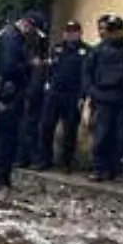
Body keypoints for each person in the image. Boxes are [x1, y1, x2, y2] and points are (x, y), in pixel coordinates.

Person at [84, 14, 123, 181]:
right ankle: (99, 169)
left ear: (122, 31)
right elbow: (87, 74)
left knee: (122, 136)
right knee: (102, 135)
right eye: (110, 31)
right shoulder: (98, 50)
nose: (112, 35)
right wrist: (92, 92)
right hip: (103, 98)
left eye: (115, 31)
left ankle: (115, 168)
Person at [0, 12, 44, 190]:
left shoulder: (12, 36)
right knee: (5, 138)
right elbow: (8, 67)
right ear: (28, 24)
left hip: (10, 94)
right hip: (8, 95)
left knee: (9, 138)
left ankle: (2, 177)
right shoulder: (12, 38)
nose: (32, 35)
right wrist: (30, 64)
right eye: (33, 30)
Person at [35, 21, 90, 171]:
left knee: (70, 130)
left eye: (73, 32)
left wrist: (82, 96)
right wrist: (47, 85)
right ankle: (44, 160)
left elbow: (86, 75)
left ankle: (66, 162)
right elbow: (50, 69)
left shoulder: (86, 51)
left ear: (79, 33)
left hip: (73, 95)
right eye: (67, 31)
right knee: (46, 127)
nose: (70, 34)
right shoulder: (57, 49)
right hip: (54, 93)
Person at [17, 25, 51, 168]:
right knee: (29, 127)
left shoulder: (38, 60)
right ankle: (28, 157)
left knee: (31, 126)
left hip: (33, 94)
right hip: (31, 93)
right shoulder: (31, 59)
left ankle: (28, 158)